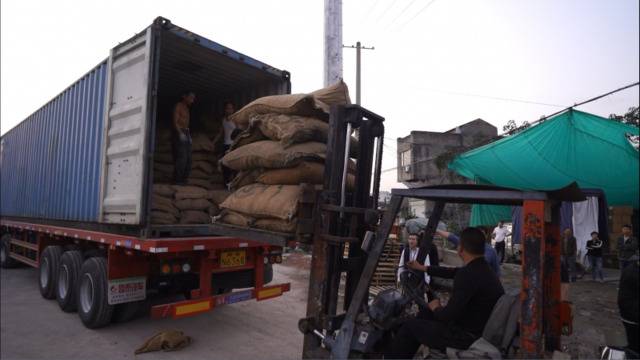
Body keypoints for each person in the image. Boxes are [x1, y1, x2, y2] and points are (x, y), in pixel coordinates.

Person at [386, 227, 505, 359]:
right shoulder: (482, 269)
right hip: (475, 326)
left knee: (409, 327)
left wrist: (436, 307)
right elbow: (453, 272)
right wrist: (422, 268)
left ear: (460, 249)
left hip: (464, 336)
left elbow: (447, 316)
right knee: (425, 313)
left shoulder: (467, 275)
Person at [436, 229, 501, 278]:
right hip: (467, 278)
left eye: (482, 235)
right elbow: (452, 237)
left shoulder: (491, 251)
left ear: (486, 236)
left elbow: (496, 272)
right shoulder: (468, 244)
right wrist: (437, 230)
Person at [397, 232, 433, 298]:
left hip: (419, 279)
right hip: (407, 278)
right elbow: (401, 265)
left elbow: (427, 267)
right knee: (406, 298)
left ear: (417, 241)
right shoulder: (405, 250)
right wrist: (399, 278)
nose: (411, 241)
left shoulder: (423, 253)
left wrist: (427, 283)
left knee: (419, 298)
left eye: (413, 239)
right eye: (410, 239)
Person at [173, 91, 196, 185]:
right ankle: (177, 180)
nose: (192, 101)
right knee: (182, 158)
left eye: (193, 99)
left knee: (189, 159)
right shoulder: (178, 106)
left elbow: (187, 124)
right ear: (184, 96)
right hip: (179, 132)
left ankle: (184, 180)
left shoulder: (187, 108)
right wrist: (180, 134)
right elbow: (175, 122)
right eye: (191, 98)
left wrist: (188, 135)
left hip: (186, 132)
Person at [618, 259, 639, 354]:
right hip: (632, 319)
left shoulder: (632, 269)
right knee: (634, 347)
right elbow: (625, 302)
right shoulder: (632, 273)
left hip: (630, 315)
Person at [220, 101, 237, 186]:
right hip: (225, 145)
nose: (229, 110)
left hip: (233, 145)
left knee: (233, 164)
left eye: (230, 108)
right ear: (225, 109)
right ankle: (226, 183)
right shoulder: (223, 120)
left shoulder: (236, 119)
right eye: (227, 108)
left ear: (233, 109)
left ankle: (234, 182)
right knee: (224, 165)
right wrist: (213, 142)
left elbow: (240, 131)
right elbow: (221, 132)